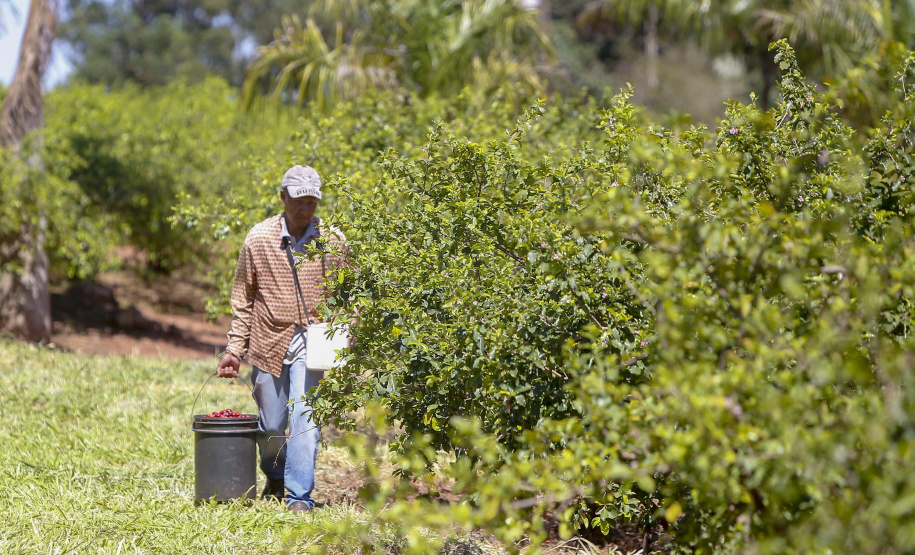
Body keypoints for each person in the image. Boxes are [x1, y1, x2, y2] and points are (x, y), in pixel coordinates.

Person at [215, 164, 345, 514]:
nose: (305, 209)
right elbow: (243, 298)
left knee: (306, 418)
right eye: (298, 201)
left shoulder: (331, 241)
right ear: (282, 197)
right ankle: (274, 472)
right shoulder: (259, 238)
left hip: (314, 343)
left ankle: (298, 497)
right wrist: (234, 349)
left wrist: (344, 337)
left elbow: (349, 295)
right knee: (271, 423)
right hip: (268, 341)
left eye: (312, 202)